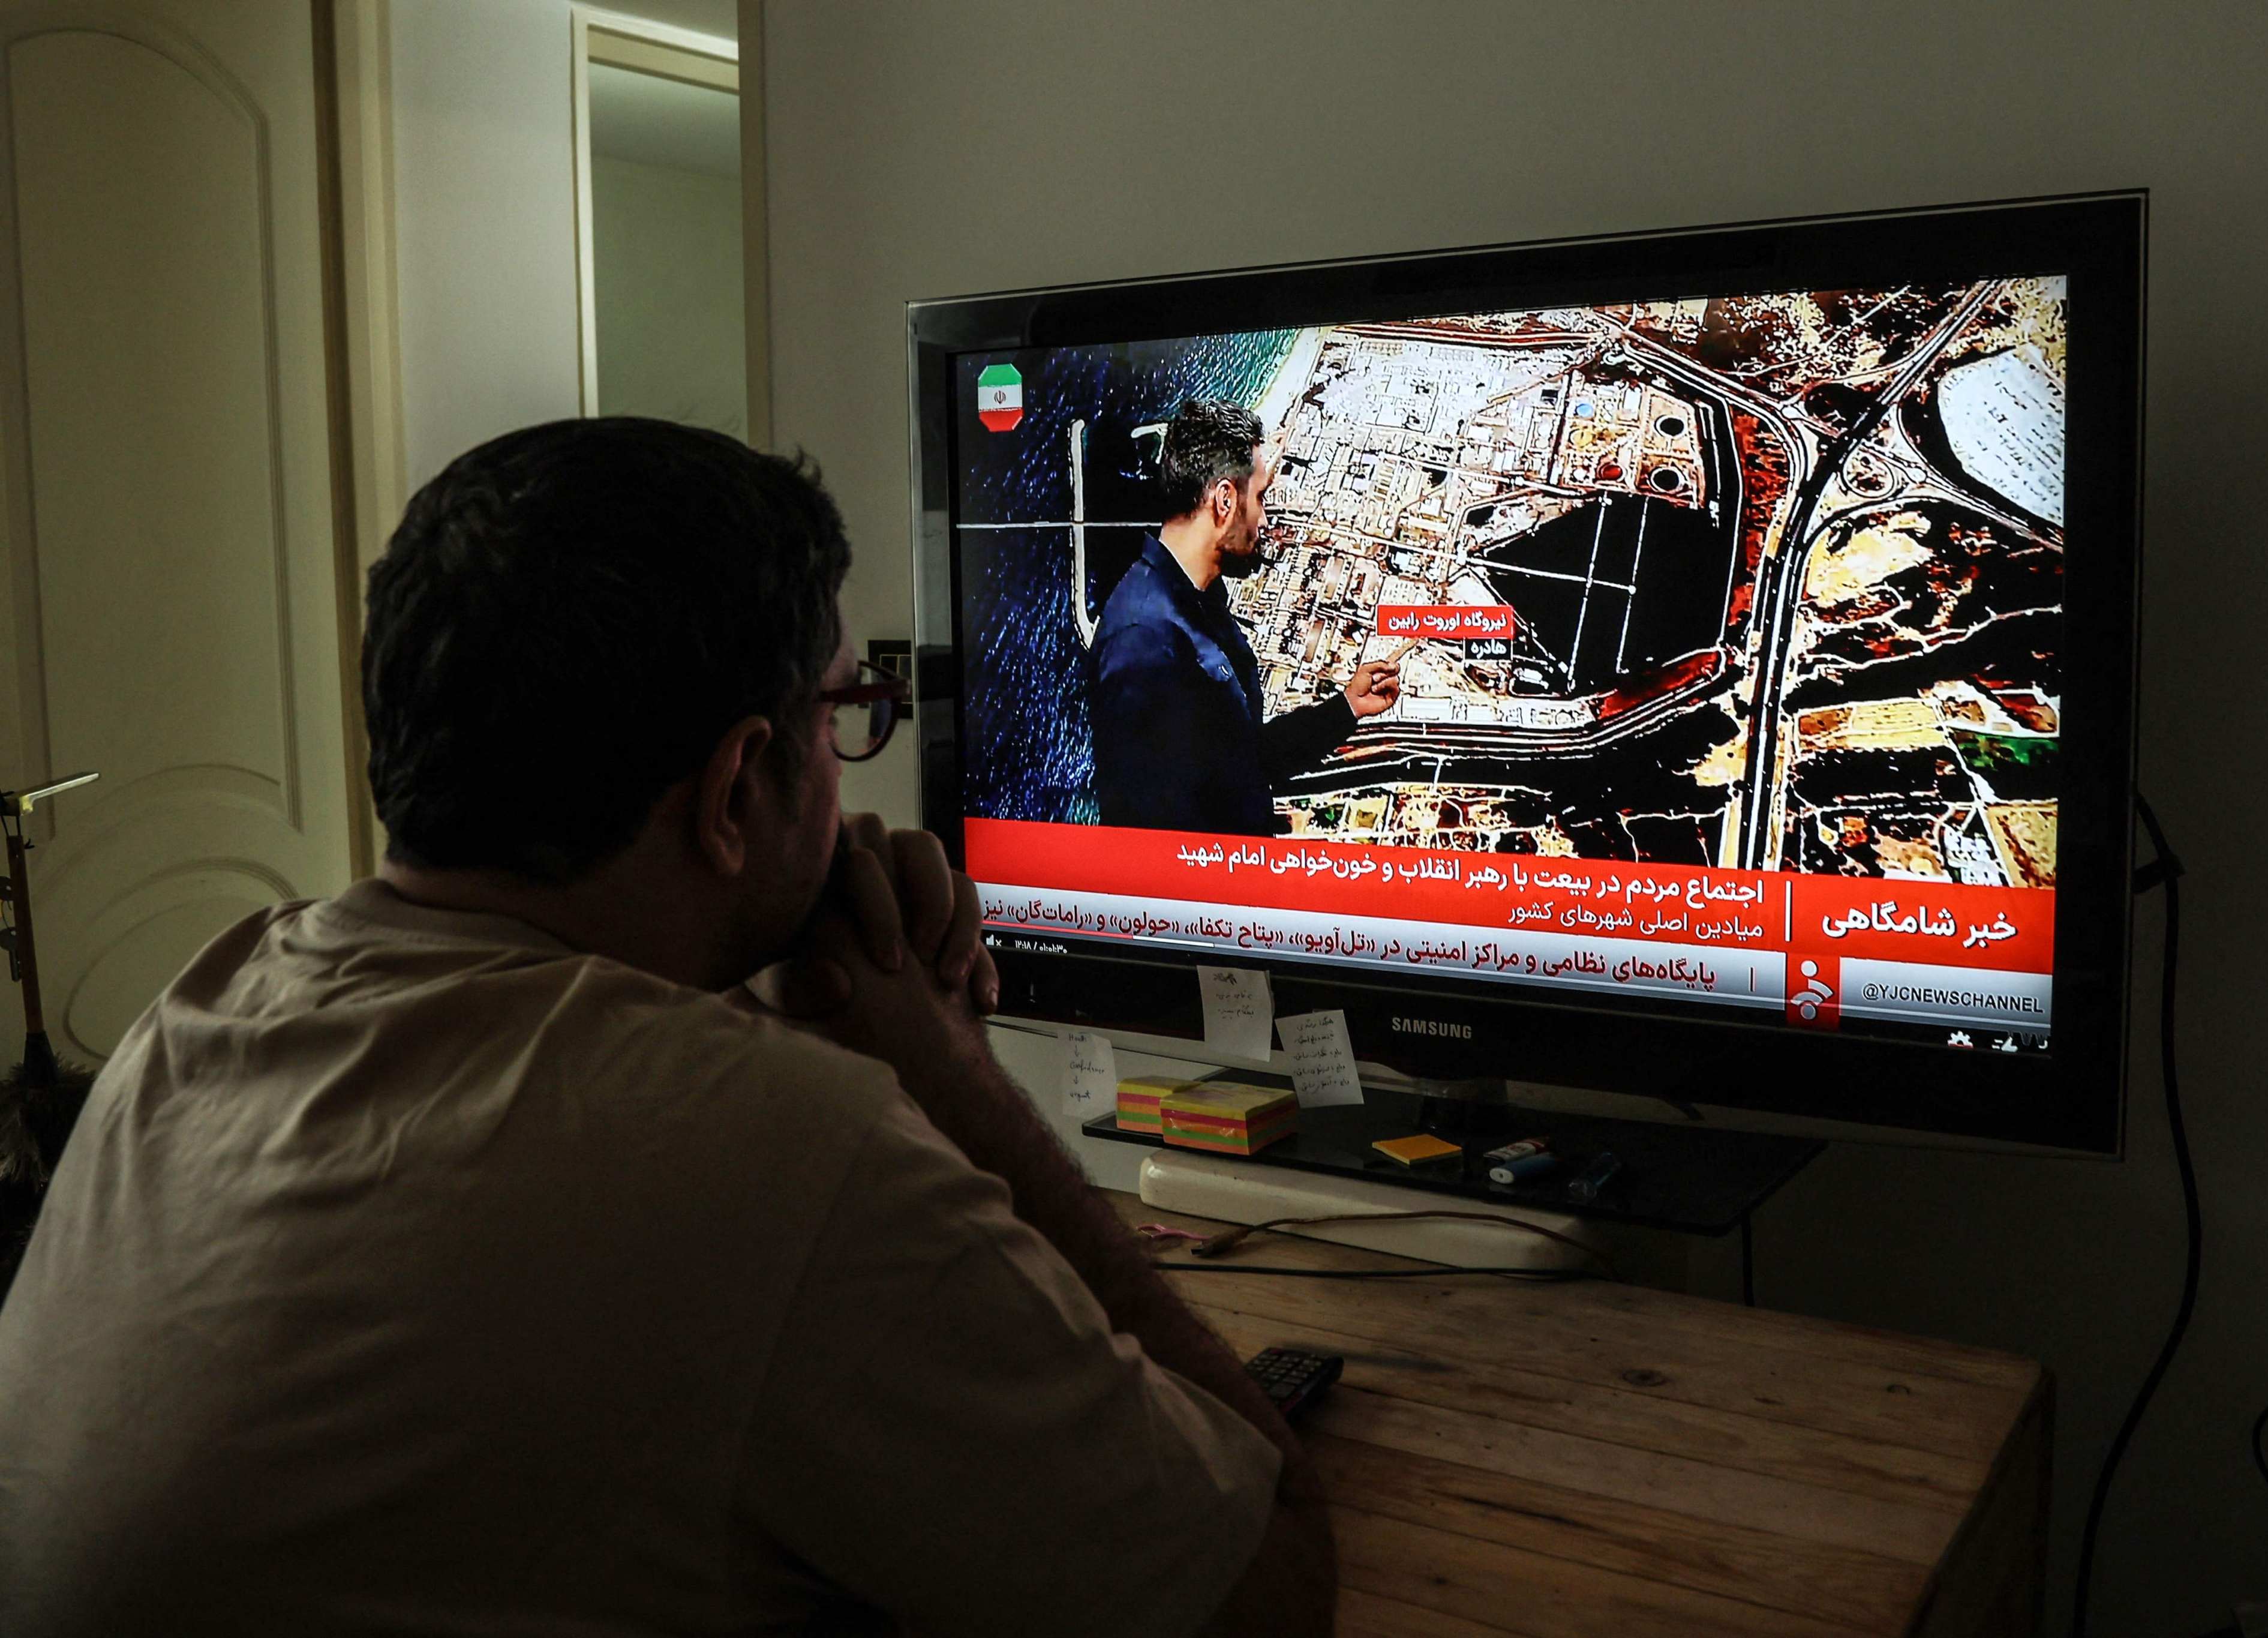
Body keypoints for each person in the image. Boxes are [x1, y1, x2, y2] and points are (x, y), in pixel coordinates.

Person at [0, 418, 1333, 1637]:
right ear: (736, 784)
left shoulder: (203, 1007)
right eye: (839, 714)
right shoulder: (781, 1156)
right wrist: (945, 1068)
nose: (849, 765)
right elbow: (1266, 1583)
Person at [1089, 400, 1399, 833]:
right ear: (1224, 501)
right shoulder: (1143, 639)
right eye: (1261, 497)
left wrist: (1346, 709)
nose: (1266, 518)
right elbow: (1151, 835)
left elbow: (1241, 761)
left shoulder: (1200, 597)